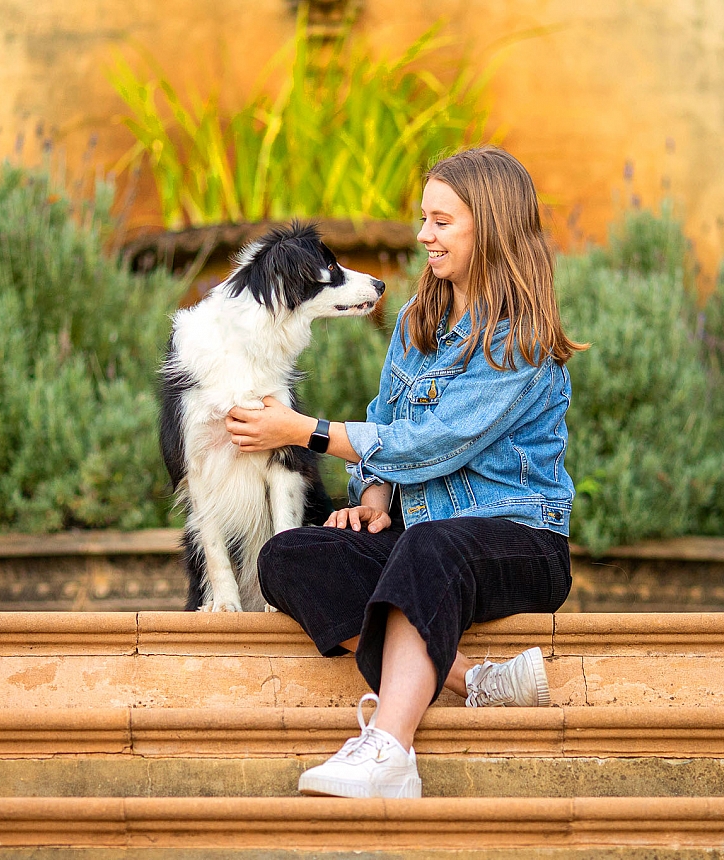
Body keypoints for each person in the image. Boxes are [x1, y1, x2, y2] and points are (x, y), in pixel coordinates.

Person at [223, 145, 586, 799]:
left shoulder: (517, 338)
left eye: (441, 222)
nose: (423, 235)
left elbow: (432, 446)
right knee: (290, 557)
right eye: (425, 219)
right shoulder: (421, 320)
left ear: (491, 225)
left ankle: (390, 751)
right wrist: (374, 493)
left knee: (426, 545)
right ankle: (471, 681)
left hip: (518, 541)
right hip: (426, 538)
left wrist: (303, 431)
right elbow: (384, 420)